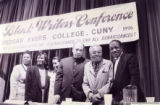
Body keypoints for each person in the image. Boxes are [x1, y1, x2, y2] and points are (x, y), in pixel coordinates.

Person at [109, 40, 145, 105]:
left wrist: (127, 97)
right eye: (111, 49)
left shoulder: (130, 57)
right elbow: (117, 82)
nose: (114, 50)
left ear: (121, 48)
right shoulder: (114, 63)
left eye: (116, 47)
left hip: (131, 99)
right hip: (119, 99)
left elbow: (135, 79)